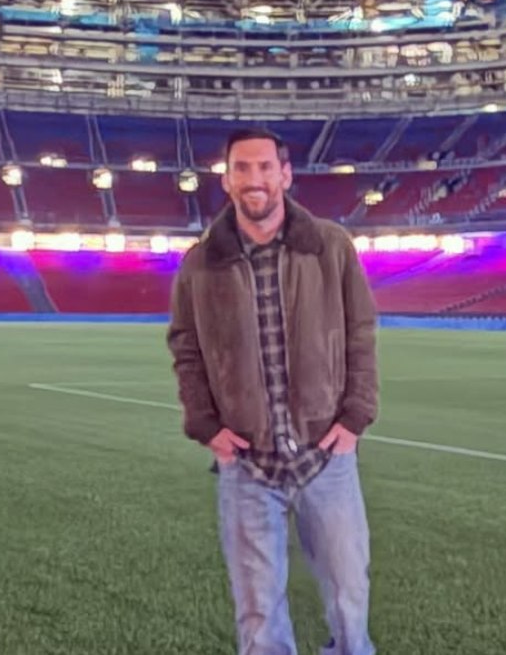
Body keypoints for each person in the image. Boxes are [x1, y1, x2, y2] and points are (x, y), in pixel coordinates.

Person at [167, 128, 379, 655]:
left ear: (285, 174)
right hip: (247, 462)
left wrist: (355, 416)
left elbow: (360, 331)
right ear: (227, 179)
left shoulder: (329, 246)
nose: (254, 178)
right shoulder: (201, 263)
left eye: (265, 167)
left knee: (349, 596)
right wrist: (205, 424)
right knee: (258, 610)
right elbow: (186, 348)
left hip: (325, 454)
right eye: (242, 168)